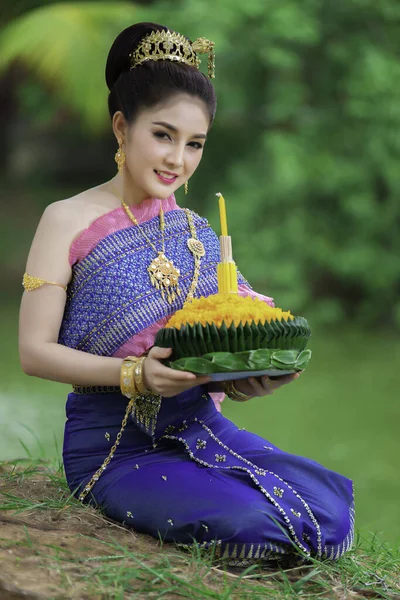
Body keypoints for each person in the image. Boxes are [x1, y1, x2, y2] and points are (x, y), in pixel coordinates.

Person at [19, 22, 354, 566]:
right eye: (164, 135)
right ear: (123, 128)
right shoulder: (66, 220)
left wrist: (253, 376)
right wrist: (136, 375)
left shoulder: (197, 231)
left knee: (329, 514)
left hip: (201, 424)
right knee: (254, 528)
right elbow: (32, 353)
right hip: (115, 446)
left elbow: (235, 328)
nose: (178, 159)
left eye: (194, 143)